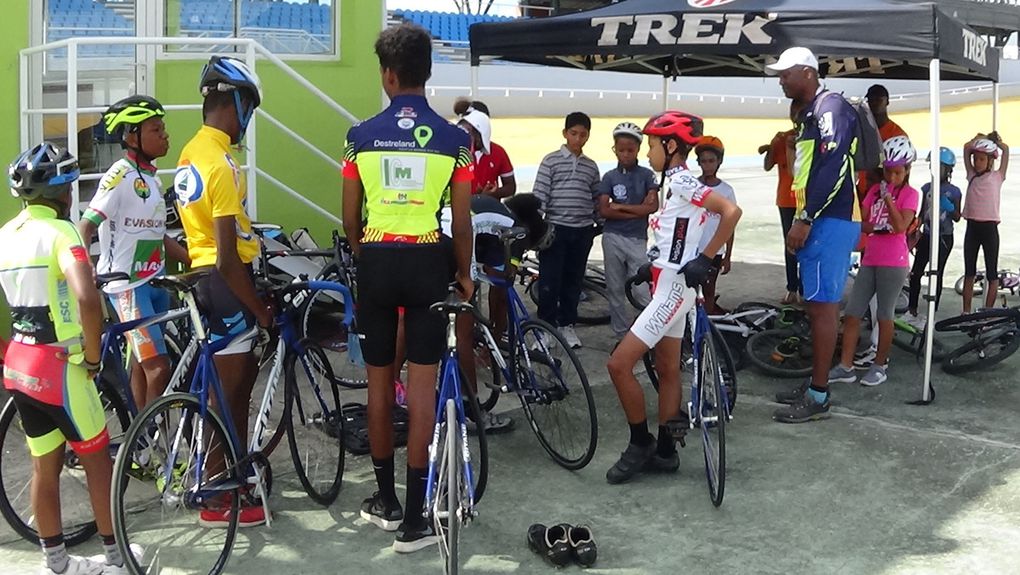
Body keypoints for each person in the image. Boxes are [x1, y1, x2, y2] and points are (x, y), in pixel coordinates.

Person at [342, 22, 474, 553]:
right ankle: (417, 521)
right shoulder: (456, 139)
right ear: (427, 72)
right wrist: (463, 274)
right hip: (428, 261)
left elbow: (349, 215)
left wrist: (363, 251)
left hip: (376, 259)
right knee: (422, 393)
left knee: (378, 387)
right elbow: (461, 222)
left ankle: (384, 500)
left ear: (387, 75)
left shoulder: (358, 135)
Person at [1, 142, 142, 574]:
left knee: (45, 466)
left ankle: (57, 563)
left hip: (19, 364)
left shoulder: (6, 234)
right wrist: (95, 357)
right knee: (99, 463)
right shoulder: (63, 234)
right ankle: (117, 560)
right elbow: (85, 295)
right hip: (62, 367)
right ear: (64, 192)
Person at [604, 111, 741, 484]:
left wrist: (707, 258)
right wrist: (655, 265)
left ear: (671, 146)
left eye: (651, 145)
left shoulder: (680, 180)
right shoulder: (672, 183)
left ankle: (640, 443)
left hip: (673, 291)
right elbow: (679, 235)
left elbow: (731, 211)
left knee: (618, 365)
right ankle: (666, 452)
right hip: (668, 280)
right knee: (667, 369)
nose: (648, 153)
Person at [173, 55, 272, 528]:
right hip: (227, 282)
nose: (248, 119)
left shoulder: (190, 152)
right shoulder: (224, 164)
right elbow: (230, 257)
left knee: (230, 388)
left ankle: (231, 475)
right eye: (248, 106)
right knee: (227, 395)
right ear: (235, 103)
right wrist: (261, 310)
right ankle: (216, 496)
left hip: (201, 278)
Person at [78, 95, 191, 412]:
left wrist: (194, 260)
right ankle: (149, 445)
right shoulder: (120, 175)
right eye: (156, 130)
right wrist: (85, 268)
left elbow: (157, 236)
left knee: (144, 367)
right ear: (131, 136)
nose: (165, 135)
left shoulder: (153, 179)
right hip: (127, 287)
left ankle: (139, 444)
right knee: (159, 367)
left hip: (154, 283)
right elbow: (86, 226)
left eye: (163, 129)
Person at [767, 47, 862, 423]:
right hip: (821, 220)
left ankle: (819, 394)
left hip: (828, 221)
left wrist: (805, 217)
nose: (780, 79)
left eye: (785, 73)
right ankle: (814, 384)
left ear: (807, 72)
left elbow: (835, 165)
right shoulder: (811, 114)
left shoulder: (830, 108)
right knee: (815, 304)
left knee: (823, 308)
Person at [437, 193, 553, 433]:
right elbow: (500, 292)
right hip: (456, 237)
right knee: (463, 335)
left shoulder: (500, 212)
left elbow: (488, 267)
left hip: (437, 232)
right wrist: (496, 334)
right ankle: (472, 411)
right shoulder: (518, 233)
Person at [828, 137, 920, 387]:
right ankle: (846, 366)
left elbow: (901, 226)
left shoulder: (911, 194)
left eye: (898, 172)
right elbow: (862, 222)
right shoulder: (872, 192)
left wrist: (888, 199)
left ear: (908, 170)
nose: (891, 177)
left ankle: (880, 365)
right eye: (888, 171)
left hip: (894, 262)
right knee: (853, 313)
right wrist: (877, 224)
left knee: (884, 314)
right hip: (870, 258)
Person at [532, 111, 601, 349]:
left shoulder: (591, 167)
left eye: (583, 135)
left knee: (573, 280)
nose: (578, 139)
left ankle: (567, 325)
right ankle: (545, 330)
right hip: (555, 231)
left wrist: (599, 223)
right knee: (550, 281)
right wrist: (536, 227)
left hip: (582, 231)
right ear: (565, 133)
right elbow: (540, 195)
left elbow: (596, 198)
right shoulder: (550, 161)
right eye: (574, 133)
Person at [596, 121, 658, 339]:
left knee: (641, 289)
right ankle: (622, 334)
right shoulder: (610, 177)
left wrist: (620, 206)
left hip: (637, 239)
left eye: (630, 150)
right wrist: (637, 210)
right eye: (621, 150)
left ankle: (648, 333)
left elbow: (652, 206)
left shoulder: (647, 175)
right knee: (614, 288)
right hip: (612, 237)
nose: (625, 154)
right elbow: (604, 210)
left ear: (638, 149)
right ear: (615, 149)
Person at [904, 147, 962, 326]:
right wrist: (914, 228)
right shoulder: (927, 188)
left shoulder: (954, 191)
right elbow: (922, 213)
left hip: (944, 238)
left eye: (940, 167)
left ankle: (931, 314)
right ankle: (911, 310)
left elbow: (958, 216)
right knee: (916, 273)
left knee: (936, 275)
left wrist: (950, 208)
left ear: (948, 169)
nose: (935, 170)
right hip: (927, 236)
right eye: (933, 166)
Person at [961, 133, 1010, 313]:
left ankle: (987, 313)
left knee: (992, 273)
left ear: (990, 161)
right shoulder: (971, 174)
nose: (977, 162)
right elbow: (966, 148)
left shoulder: (998, 176)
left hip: (989, 229)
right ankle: (965, 311)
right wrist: (976, 140)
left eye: (982, 159)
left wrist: (996, 142)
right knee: (969, 272)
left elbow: (1006, 151)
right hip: (972, 227)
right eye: (976, 159)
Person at [761, 101, 803, 304]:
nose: (796, 116)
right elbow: (768, 166)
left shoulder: (815, 135)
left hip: (808, 200)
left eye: (800, 111)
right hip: (786, 200)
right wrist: (771, 146)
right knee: (790, 245)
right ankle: (792, 288)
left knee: (809, 245)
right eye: (793, 112)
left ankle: (806, 289)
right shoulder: (782, 137)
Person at [695, 135, 736, 314]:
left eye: (711, 161)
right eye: (703, 161)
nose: (707, 165)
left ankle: (708, 324)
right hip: (693, 247)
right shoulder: (693, 186)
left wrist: (727, 255)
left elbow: (730, 225)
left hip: (714, 250)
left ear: (719, 162)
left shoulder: (726, 191)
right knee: (690, 290)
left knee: (709, 289)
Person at [454, 100, 516, 199]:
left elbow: (511, 187)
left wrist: (493, 194)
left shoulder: (498, 152)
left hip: (489, 210)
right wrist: (478, 196)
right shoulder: (454, 153)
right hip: (462, 211)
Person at [857, 84, 909, 198]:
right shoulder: (863, 130)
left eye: (879, 99)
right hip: (863, 193)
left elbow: (903, 172)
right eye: (871, 100)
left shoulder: (897, 134)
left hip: (885, 195)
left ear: (887, 101)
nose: (874, 103)